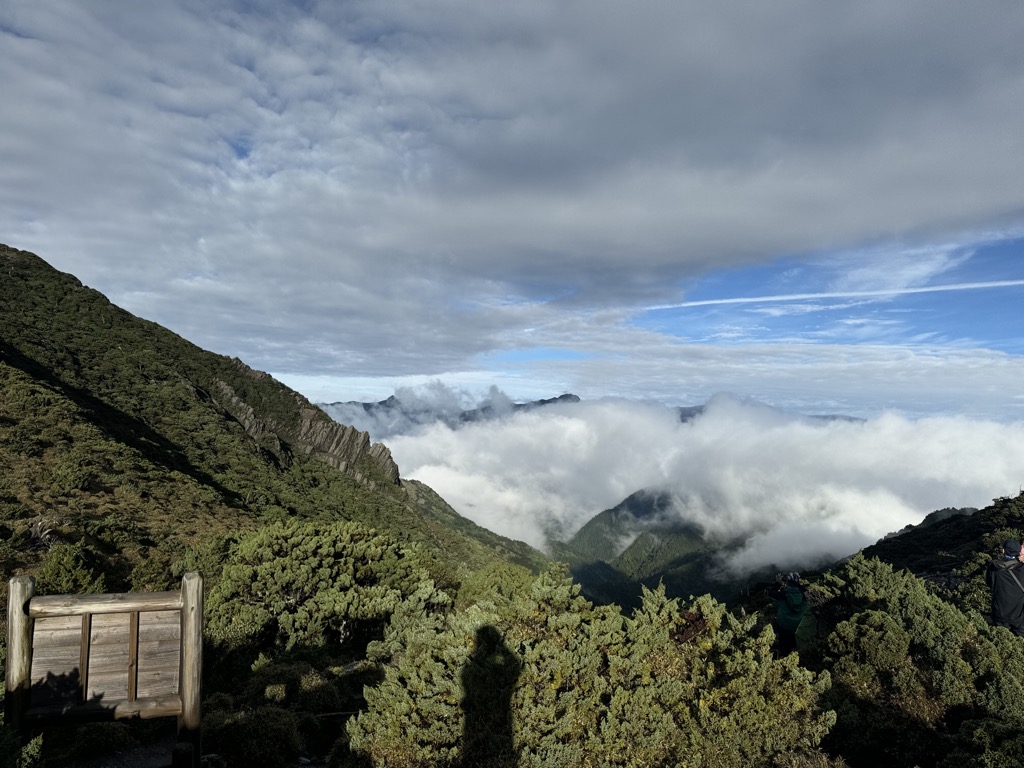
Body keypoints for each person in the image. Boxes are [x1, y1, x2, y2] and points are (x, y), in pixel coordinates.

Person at [985, 538, 1024, 636]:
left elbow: (990, 584)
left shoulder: (993, 567)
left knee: (1001, 639)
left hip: (999, 612)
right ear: (1019, 552)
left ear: (1003, 551)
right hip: (1019, 614)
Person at [768, 572, 809, 657]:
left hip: (784, 624)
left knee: (784, 645)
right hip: (799, 624)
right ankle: (796, 657)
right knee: (795, 642)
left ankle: (784, 658)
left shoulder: (783, 594)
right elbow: (804, 589)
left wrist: (777, 583)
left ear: (787, 583)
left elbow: (771, 593)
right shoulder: (805, 594)